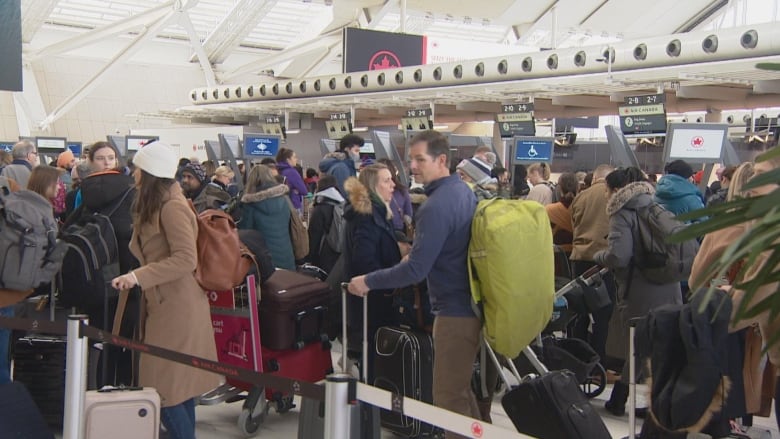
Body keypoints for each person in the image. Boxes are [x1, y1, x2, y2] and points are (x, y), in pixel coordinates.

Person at [348, 130, 482, 436]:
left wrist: (368, 281)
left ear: (442, 159)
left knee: (448, 398)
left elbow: (417, 271)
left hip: (454, 312)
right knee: (461, 390)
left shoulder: (435, 207)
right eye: (411, 159)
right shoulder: (462, 192)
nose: (412, 166)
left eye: (420, 159)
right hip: (470, 303)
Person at [110, 141, 220, 439]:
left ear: (149, 173)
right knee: (178, 388)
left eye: (137, 168)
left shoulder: (172, 206)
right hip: (165, 303)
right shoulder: (157, 203)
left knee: (162, 389)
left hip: (177, 307)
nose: (132, 173)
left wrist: (137, 276)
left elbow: (186, 258)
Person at [594, 167, 683, 416]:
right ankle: (656, 403)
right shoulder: (657, 207)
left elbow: (619, 256)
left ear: (614, 190)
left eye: (606, 190)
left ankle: (621, 398)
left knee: (638, 345)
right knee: (660, 346)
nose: (605, 195)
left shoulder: (622, 213)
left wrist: (599, 254)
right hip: (669, 285)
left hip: (641, 289)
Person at [343, 164, 402, 380]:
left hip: (374, 297)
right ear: (372, 186)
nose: (393, 185)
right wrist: (391, 276)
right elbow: (364, 259)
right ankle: (373, 408)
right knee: (375, 354)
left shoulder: (373, 212)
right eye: (386, 180)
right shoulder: (367, 216)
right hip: (374, 298)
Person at [569, 164, 616, 367]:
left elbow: (574, 223)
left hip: (579, 258)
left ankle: (575, 357)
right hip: (603, 262)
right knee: (602, 315)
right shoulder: (613, 196)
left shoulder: (581, 196)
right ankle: (599, 363)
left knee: (579, 312)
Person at [239, 164, 296, 270]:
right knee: (288, 283)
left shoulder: (250, 204)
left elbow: (245, 232)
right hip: (287, 254)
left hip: (265, 260)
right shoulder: (284, 199)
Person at [307, 175, 345, 273]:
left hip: (324, 252)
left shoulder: (320, 208)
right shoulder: (343, 204)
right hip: (340, 253)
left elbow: (314, 234)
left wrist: (310, 257)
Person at [545, 172, 578, 255]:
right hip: (577, 253)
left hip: (556, 255)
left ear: (559, 189)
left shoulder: (549, 210)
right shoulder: (582, 208)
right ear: (577, 188)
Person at [377, 158, 413, 234]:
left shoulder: (401, 191)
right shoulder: (402, 191)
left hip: (389, 230)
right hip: (397, 229)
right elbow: (409, 213)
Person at [276, 147, 308, 214]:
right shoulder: (292, 172)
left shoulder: (277, 170)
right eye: (294, 157)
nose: (296, 159)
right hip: (293, 204)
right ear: (288, 160)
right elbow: (304, 190)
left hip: (280, 204)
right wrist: (296, 190)